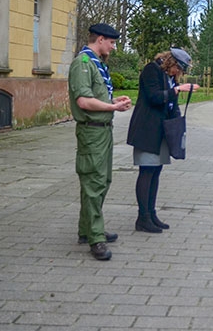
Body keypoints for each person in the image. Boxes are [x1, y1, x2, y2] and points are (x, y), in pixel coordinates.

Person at [67, 23, 132, 261]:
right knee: (93, 183)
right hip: (91, 132)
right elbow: (84, 101)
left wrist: (114, 101)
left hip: (103, 131)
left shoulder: (97, 64)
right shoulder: (83, 64)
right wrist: (113, 107)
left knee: (103, 180)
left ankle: (87, 229)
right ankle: (95, 238)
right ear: (101, 39)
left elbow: (97, 96)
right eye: (112, 43)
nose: (113, 48)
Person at [126, 48, 200, 234]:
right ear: (171, 62)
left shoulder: (168, 76)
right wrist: (176, 90)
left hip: (161, 131)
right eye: (178, 69)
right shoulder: (151, 70)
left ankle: (151, 214)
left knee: (156, 171)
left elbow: (170, 104)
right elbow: (153, 97)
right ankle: (142, 218)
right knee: (147, 171)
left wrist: (177, 123)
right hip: (147, 130)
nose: (179, 74)